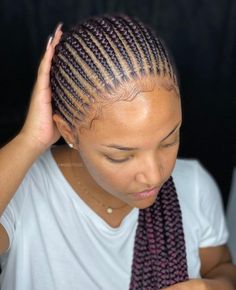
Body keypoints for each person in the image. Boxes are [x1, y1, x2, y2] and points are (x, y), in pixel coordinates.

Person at [0, 14, 235, 290]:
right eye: (121, 155)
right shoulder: (22, 191)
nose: (154, 175)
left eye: (169, 140)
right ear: (67, 131)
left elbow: (222, 269)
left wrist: (209, 287)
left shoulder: (194, 186)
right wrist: (32, 139)